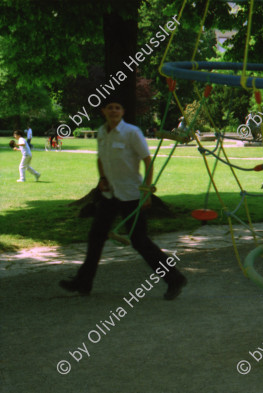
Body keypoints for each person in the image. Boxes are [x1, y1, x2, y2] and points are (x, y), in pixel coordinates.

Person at [59, 97, 187, 300]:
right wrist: (102, 178)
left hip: (131, 195)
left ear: (123, 111)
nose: (113, 111)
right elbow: (101, 158)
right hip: (110, 194)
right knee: (96, 236)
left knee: (140, 241)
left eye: (117, 107)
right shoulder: (102, 132)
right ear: (103, 111)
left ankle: (174, 279)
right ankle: (83, 283)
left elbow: (147, 160)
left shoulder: (131, 132)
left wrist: (146, 191)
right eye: (109, 108)